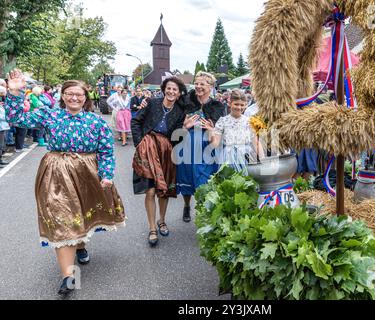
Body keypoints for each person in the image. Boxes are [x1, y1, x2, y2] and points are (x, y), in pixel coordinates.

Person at [5, 69, 126, 295]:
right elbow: (16, 118)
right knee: (63, 218)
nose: (74, 98)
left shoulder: (96, 121)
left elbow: (107, 151)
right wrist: (14, 92)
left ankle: (80, 245)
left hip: (87, 173)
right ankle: (68, 277)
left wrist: (107, 174)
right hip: (56, 172)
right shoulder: (49, 115)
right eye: (70, 93)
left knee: (81, 213)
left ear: (85, 98)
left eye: (79, 95)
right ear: (63, 96)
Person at [131, 77, 187, 246]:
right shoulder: (152, 103)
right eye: (169, 88)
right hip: (147, 148)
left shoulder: (179, 111)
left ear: (178, 94)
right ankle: (152, 227)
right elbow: (135, 121)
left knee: (164, 190)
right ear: (164, 89)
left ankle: (162, 220)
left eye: (175, 90)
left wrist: (184, 130)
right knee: (150, 191)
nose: (171, 92)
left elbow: (176, 136)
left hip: (165, 151)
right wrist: (139, 143)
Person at [176, 72, 226, 222]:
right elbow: (175, 118)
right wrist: (184, 125)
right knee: (187, 176)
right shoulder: (186, 101)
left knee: (205, 178)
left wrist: (212, 129)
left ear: (210, 87)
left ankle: (204, 212)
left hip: (208, 144)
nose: (198, 86)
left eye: (202, 84)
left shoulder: (217, 106)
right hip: (188, 142)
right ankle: (186, 205)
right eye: (196, 83)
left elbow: (220, 127)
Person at [202, 89, 264, 174]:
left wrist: (263, 160)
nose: (239, 107)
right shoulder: (222, 121)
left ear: (246, 105)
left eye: (242, 105)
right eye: (236, 104)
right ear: (229, 103)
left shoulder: (250, 121)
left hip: (247, 157)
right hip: (229, 159)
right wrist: (210, 131)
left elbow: (256, 143)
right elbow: (215, 144)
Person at [0, 86, 10, 167]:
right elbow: (2, 116)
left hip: (3, 126)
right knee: (0, 144)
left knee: (2, 144)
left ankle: (0, 159)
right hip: (1, 126)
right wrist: (8, 117)